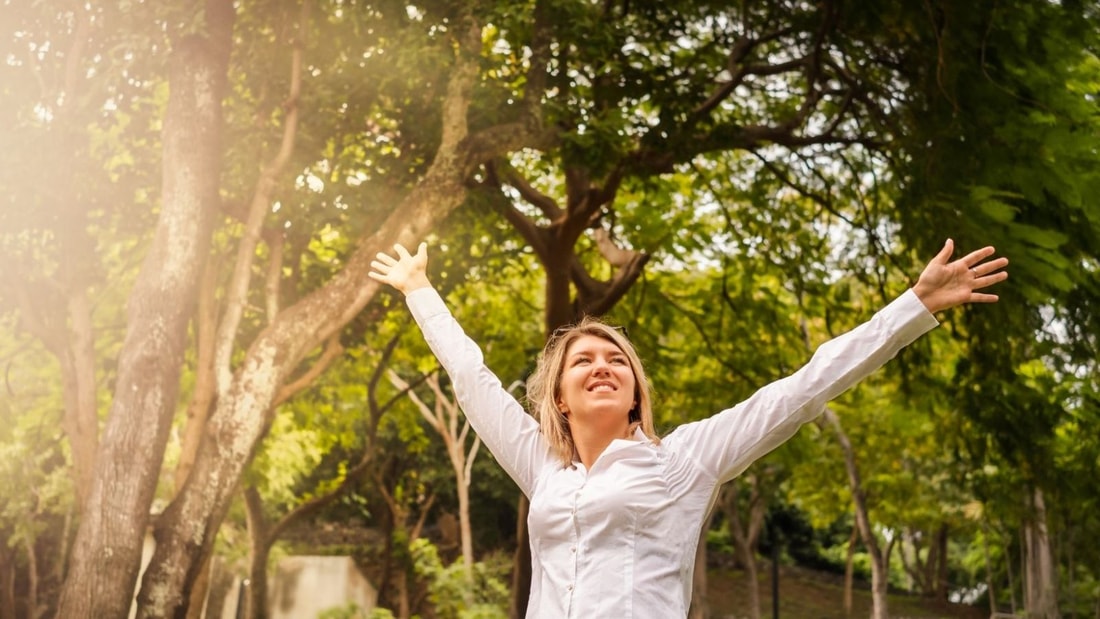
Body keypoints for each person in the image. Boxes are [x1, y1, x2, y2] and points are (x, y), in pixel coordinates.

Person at [368, 238, 1008, 618]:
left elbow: (806, 386)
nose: (603, 367)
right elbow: (470, 376)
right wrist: (419, 288)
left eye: (618, 360)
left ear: (637, 392)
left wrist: (912, 306)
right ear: (558, 397)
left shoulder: (683, 460)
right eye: (583, 361)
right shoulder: (542, 468)